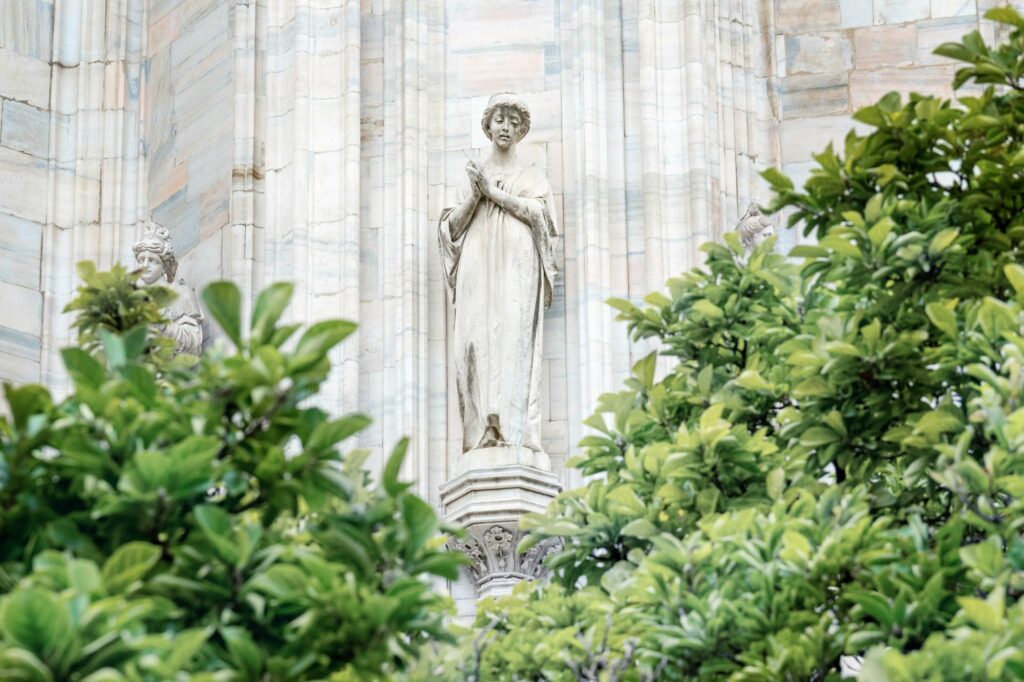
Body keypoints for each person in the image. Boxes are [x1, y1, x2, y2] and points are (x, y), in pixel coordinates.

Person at [439, 93, 559, 454]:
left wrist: (493, 194)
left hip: (518, 271)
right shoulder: (471, 176)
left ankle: (515, 431)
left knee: (514, 342)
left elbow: (542, 219)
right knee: (474, 342)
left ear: (522, 130)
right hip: (477, 270)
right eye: (499, 119)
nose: (505, 126)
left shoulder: (533, 177)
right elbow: (450, 230)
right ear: (488, 125)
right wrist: (477, 195)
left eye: (512, 121)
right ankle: (481, 432)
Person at [132, 222, 204, 355]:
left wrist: (161, 324)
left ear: (164, 266)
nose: (145, 265)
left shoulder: (180, 294)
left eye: (152, 260)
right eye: (141, 260)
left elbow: (194, 346)